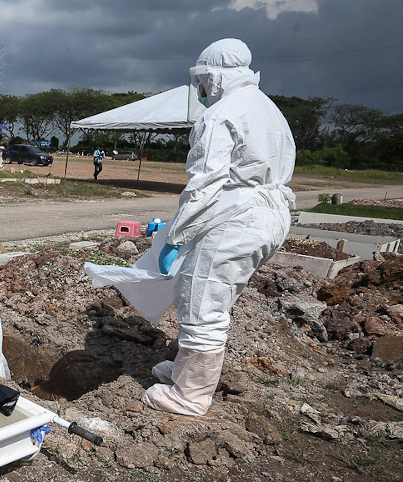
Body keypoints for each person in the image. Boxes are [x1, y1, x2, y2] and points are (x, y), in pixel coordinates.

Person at [84, 38, 295, 416]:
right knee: (209, 297)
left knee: (202, 303)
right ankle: (185, 370)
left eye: (202, 80)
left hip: (236, 219)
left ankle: (191, 396)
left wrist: (175, 237)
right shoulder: (268, 109)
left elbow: (203, 186)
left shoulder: (220, 115)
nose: (200, 90)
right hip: (268, 217)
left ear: (213, 76)